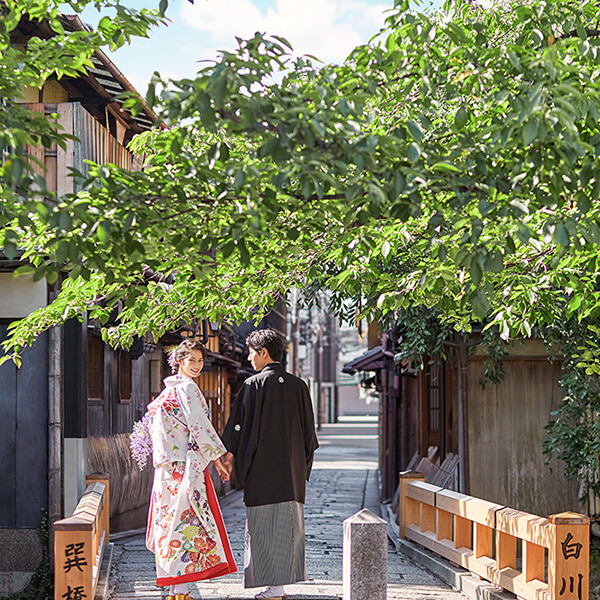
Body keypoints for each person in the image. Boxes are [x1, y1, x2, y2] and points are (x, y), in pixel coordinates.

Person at [221, 328, 319, 600]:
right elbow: (310, 436)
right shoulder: (299, 385)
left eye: (252, 352)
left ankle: (271, 587)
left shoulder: (254, 385)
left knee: (262, 527)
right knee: (288, 528)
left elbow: (238, 426)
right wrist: (301, 467)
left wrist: (229, 456)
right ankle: (279, 586)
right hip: (291, 473)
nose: (250, 358)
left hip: (262, 471)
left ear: (263, 352)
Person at [143, 340, 237, 600]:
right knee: (187, 523)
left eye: (199, 360)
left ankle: (176, 587)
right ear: (179, 361)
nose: (197, 365)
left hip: (165, 469)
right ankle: (181, 588)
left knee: (170, 524)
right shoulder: (186, 388)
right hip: (183, 467)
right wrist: (218, 458)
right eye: (191, 360)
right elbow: (200, 426)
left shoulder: (166, 392)